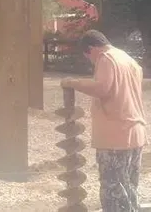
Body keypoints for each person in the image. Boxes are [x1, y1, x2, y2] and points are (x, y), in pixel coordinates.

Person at [61, 30, 146, 212]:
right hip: (136, 131)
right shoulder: (128, 59)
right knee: (129, 187)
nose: (91, 62)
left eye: (88, 57)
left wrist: (72, 83)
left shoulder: (106, 59)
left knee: (113, 189)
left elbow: (102, 88)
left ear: (90, 49)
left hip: (115, 136)